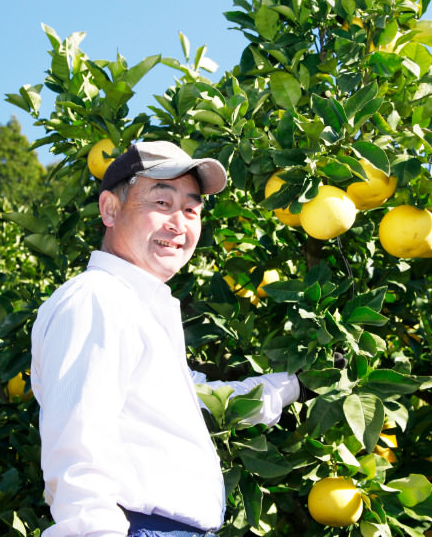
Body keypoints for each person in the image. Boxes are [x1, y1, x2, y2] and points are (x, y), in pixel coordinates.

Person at [31, 140, 300, 537]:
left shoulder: (136, 307)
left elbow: (205, 402)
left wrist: (294, 386)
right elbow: (77, 450)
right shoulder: (97, 299)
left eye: (191, 210)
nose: (179, 223)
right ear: (110, 209)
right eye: (161, 203)